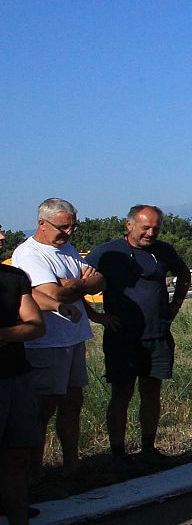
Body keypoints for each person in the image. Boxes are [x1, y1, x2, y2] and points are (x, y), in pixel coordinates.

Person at [88, 205, 190, 470]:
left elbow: (184, 274)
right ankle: (118, 453)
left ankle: (148, 448)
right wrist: (96, 316)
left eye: (155, 228)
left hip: (157, 333)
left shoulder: (163, 250)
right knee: (121, 393)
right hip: (122, 337)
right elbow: (76, 284)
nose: (150, 233)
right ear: (129, 225)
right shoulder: (106, 253)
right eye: (145, 227)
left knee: (152, 392)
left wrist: (176, 304)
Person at [10, 198, 103, 483]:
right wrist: (80, 284)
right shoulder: (29, 254)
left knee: (73, 402)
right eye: (63, 228)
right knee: (43, 407)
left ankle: (71, 463)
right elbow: (52, 294)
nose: (69, 233)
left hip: (73, 338)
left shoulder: (68, 249)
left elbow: (99, 282)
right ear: (42, 224)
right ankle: (34, 470)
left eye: (72, 227)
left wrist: (73, 285)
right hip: (46, 343)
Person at [1, 240, 62, 525]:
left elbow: (35, 325)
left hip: (15, 377)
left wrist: (4, 334)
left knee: (17, 458)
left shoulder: (12, 279)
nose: (1, 239)